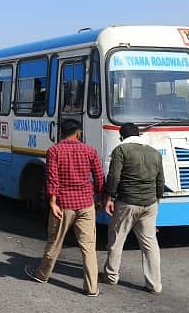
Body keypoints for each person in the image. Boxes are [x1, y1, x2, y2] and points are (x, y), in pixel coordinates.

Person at [25, 119, 105, 296]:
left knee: (55, 241)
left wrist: (52, 203)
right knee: (88, 246)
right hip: (86, 204)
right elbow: (99, 177)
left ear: (61, 133)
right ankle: (92, 287)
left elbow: (52, 179)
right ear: (78, 133)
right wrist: (99, 197)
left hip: (64, 205)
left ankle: (42, 274)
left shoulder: (54, 151)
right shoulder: (90, 150)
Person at [101, 123, 165, 293]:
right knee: (150, 244)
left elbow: (114, 176)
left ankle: (111, 276)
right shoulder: (154, 153)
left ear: (122, 136)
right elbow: (160, 181)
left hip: (127, 203)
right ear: (139, 135)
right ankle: (155, 284)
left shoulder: (121, 150)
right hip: (150, 204)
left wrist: (109, 197)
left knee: (116, 239)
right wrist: (156, 199)